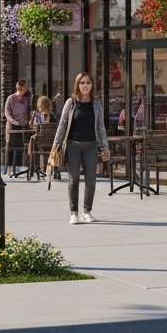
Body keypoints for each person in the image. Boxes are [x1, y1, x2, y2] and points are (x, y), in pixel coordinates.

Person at [51, 72, 110, 225]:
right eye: (82, 83)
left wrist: (105, 147)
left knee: (91, 180)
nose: (85, 86)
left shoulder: (96, 104)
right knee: (73, 180)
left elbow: (101, 127)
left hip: (90, 145)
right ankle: (74, 213)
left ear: (92, 85)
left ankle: (87, 211)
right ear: (77, 85)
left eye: (88, 83)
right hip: (73, 146)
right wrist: (55, 146)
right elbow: (62, 125)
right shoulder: (70, 103)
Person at [4, 80, 32, 172]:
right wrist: (14, 122)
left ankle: (19, 165)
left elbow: (27, 112)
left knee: (21, 145)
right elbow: (7, 113)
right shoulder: (11, 98)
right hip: (13, 125)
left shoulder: (26, 99)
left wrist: (27, 121)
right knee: (11, 145)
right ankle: (9, 166)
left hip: (23, 126)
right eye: (25, 87)